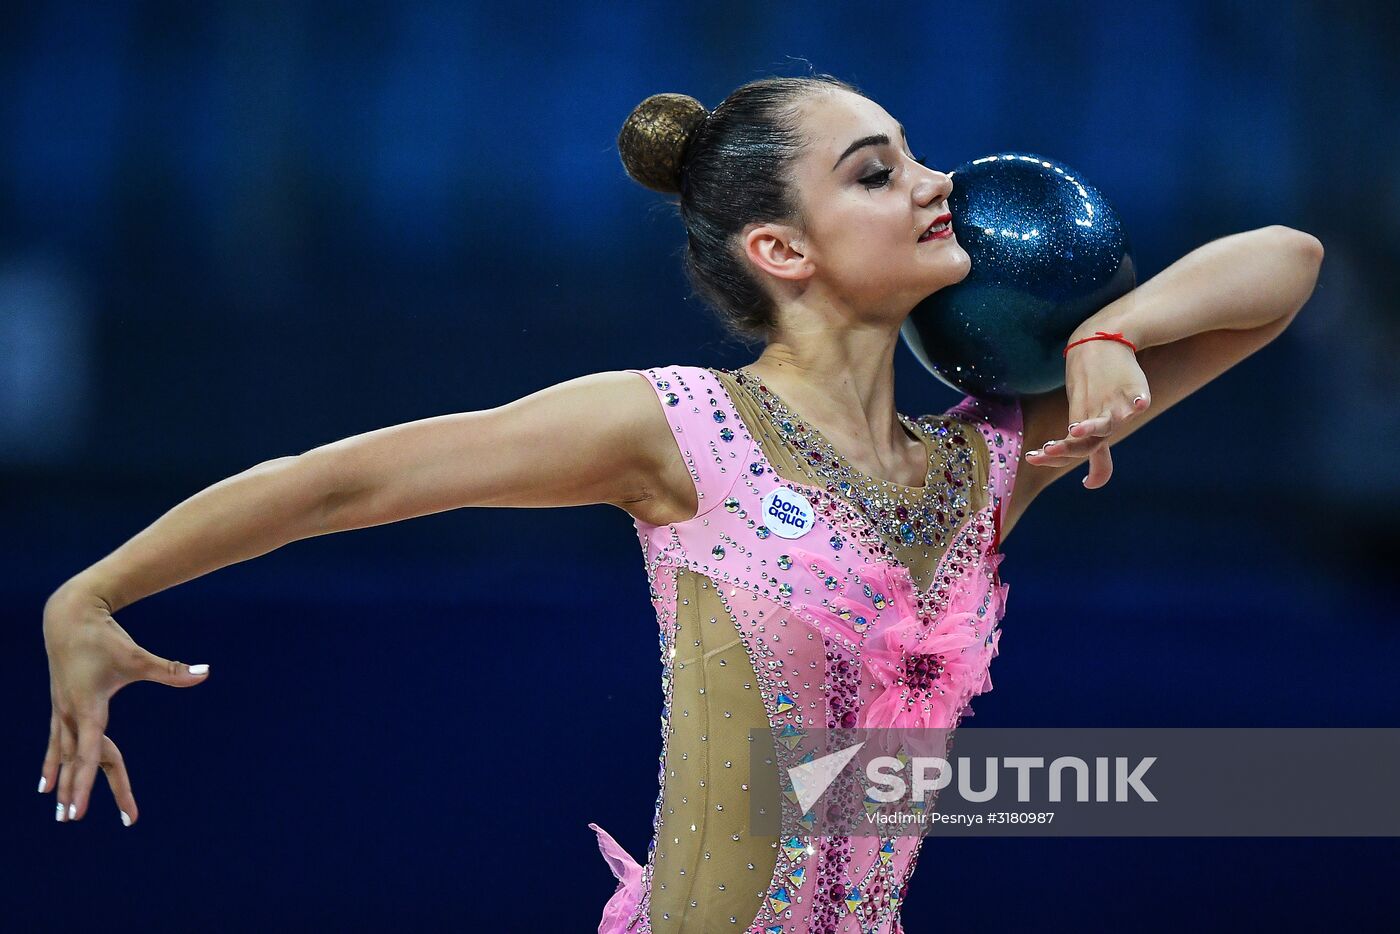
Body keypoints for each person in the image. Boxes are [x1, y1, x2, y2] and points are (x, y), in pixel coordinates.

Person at [39, 72, 1322, 933]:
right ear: (781, 251)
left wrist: (1119, 330)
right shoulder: (676, 427)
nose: (940, 183)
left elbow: (1282, 268)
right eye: (879, 173)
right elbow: (342, 481)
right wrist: (92, 591)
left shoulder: (982, 467)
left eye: (916, 158)